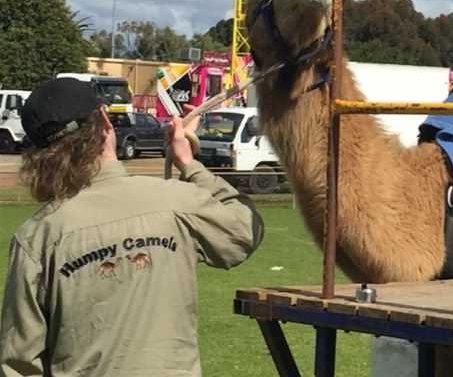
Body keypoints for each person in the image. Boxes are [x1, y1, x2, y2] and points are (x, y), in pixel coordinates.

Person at [0, 78, 265, 375]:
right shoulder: (175, 202)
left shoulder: (37, 237)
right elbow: (244, 230)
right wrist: (189, 164)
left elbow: (19, 364)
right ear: (105, 122)